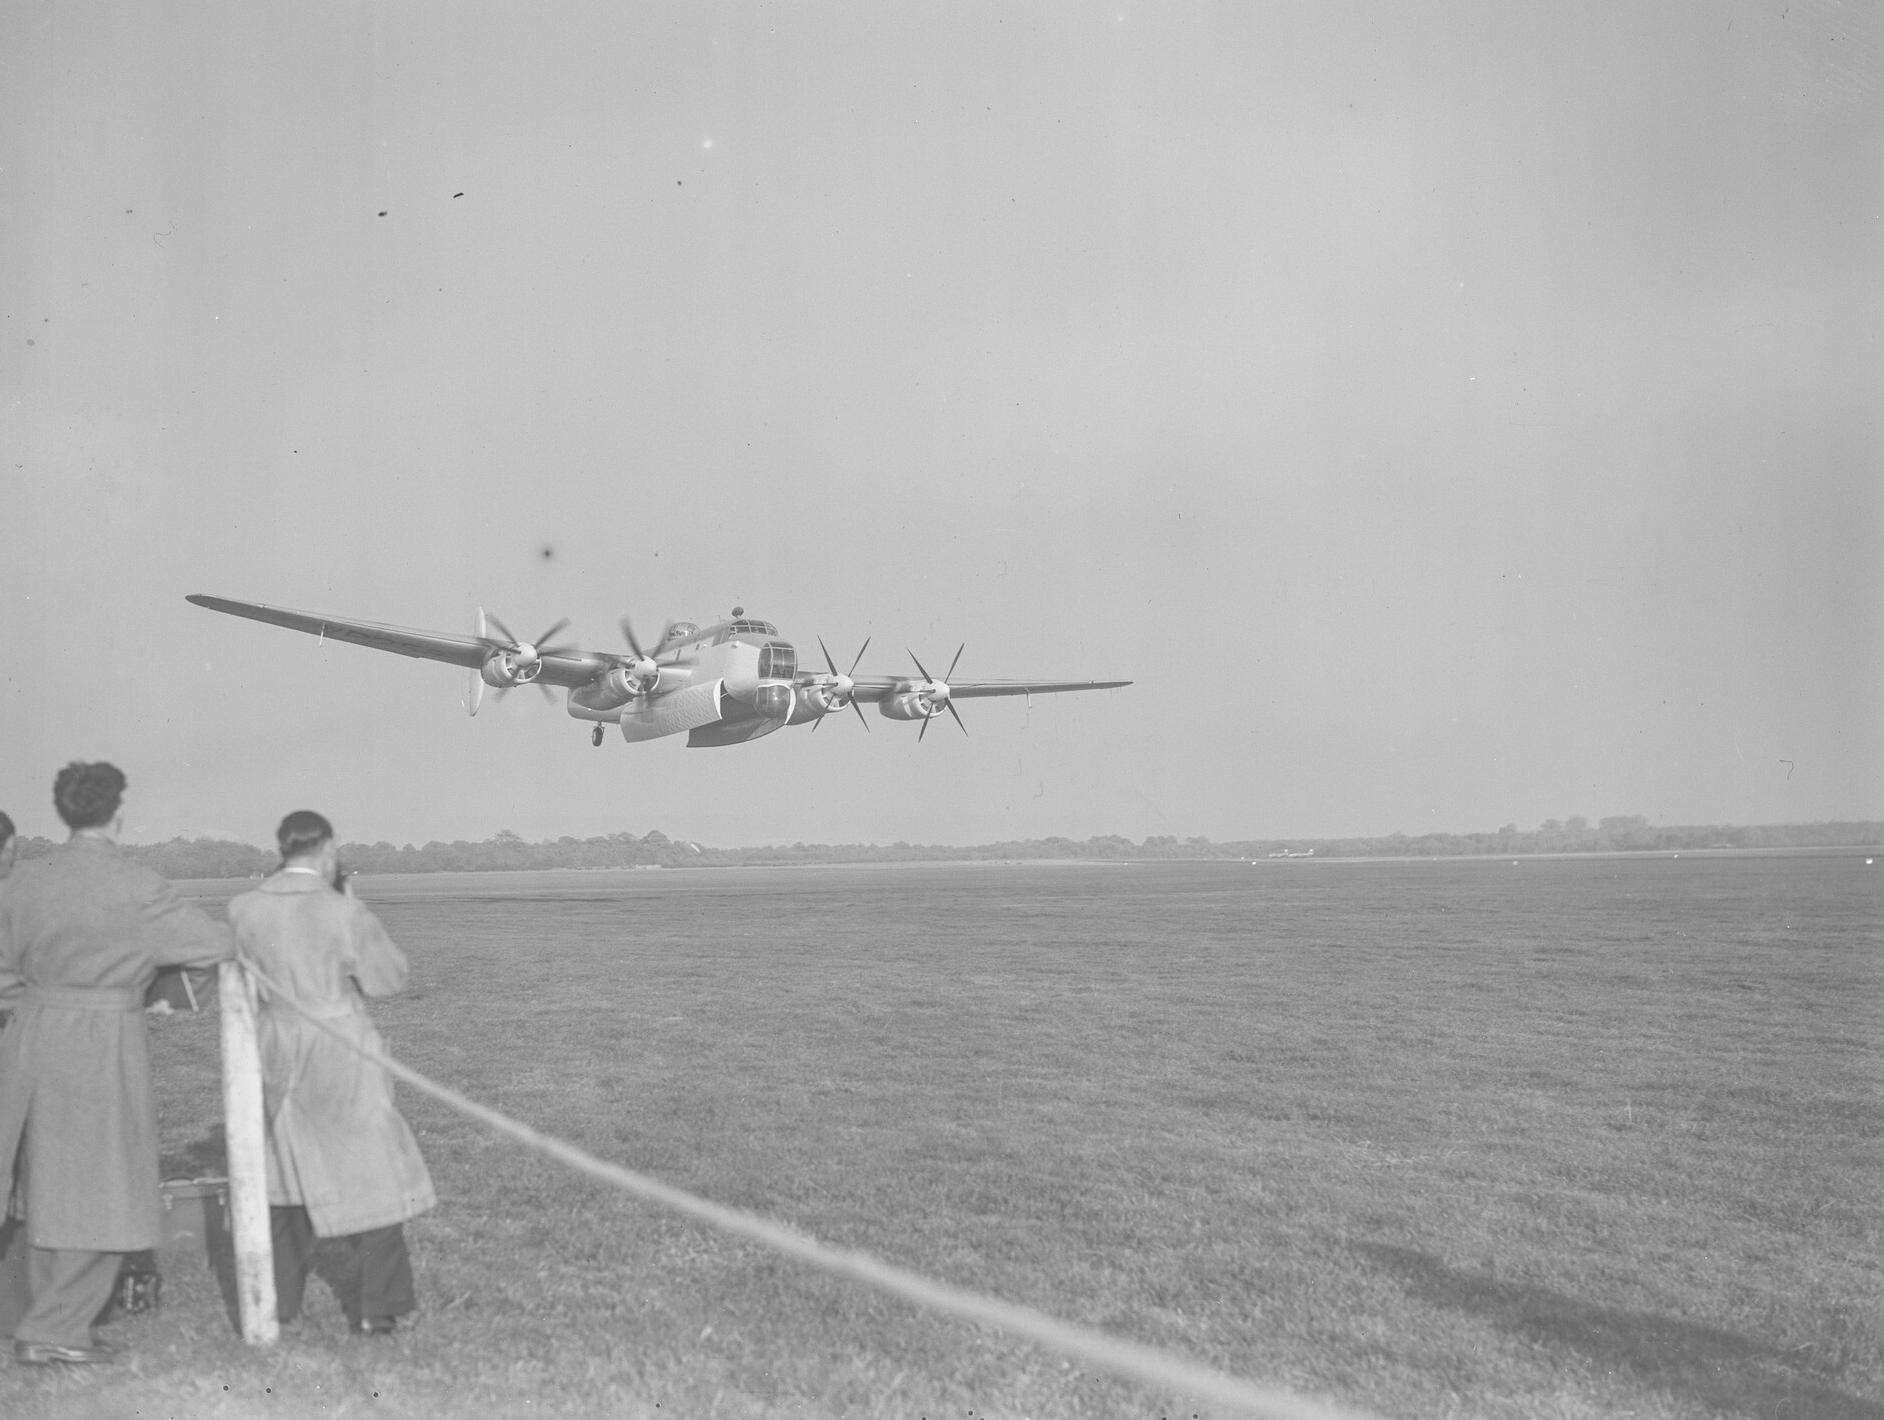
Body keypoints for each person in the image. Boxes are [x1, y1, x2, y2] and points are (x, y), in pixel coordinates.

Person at [0, 764, 233, 1365]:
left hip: (27, 1041)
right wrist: (164, 995)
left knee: (41, 1182)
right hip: (101, 1043)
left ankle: (40, 1316)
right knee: (105, 1187)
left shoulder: (22, 880)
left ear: (64, 812)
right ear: (116, 813)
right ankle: (54, 1330)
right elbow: (212, 946)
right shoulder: (134, 884)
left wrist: (29, 1003)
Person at [226, 811, 434, 1335]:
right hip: (339, 1047)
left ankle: (275, 1302)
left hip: (273, 1045)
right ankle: (381, 1307)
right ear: (328, 848)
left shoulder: (242, 908)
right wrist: (351, 908)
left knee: (283, 1173)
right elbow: (388, 979)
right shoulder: (342, 909)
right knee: (372, 1172)